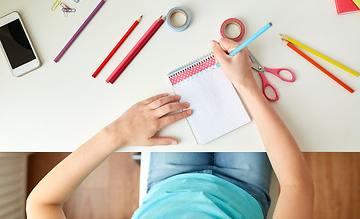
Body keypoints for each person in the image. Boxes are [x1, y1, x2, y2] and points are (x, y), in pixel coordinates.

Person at [26, 38, 314, 219]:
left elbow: (40, 204)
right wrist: (247, 86)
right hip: (244, 189)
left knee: (166, 94)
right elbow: (297, 187)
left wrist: (119, 132)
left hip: (169, 183)